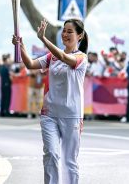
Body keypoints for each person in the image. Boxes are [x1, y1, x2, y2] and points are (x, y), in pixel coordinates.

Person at [13, 18, 88, 184]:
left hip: (72, 115)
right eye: (64, 30)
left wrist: (43, 39)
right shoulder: (51, 57)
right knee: (51, 154)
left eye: (70, 31)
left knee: (69, 161)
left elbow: (62, 55)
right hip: (50, 114)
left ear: (79, 36)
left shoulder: (81, 58)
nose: (65, 34)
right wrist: (20, 46)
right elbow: (30, 64)